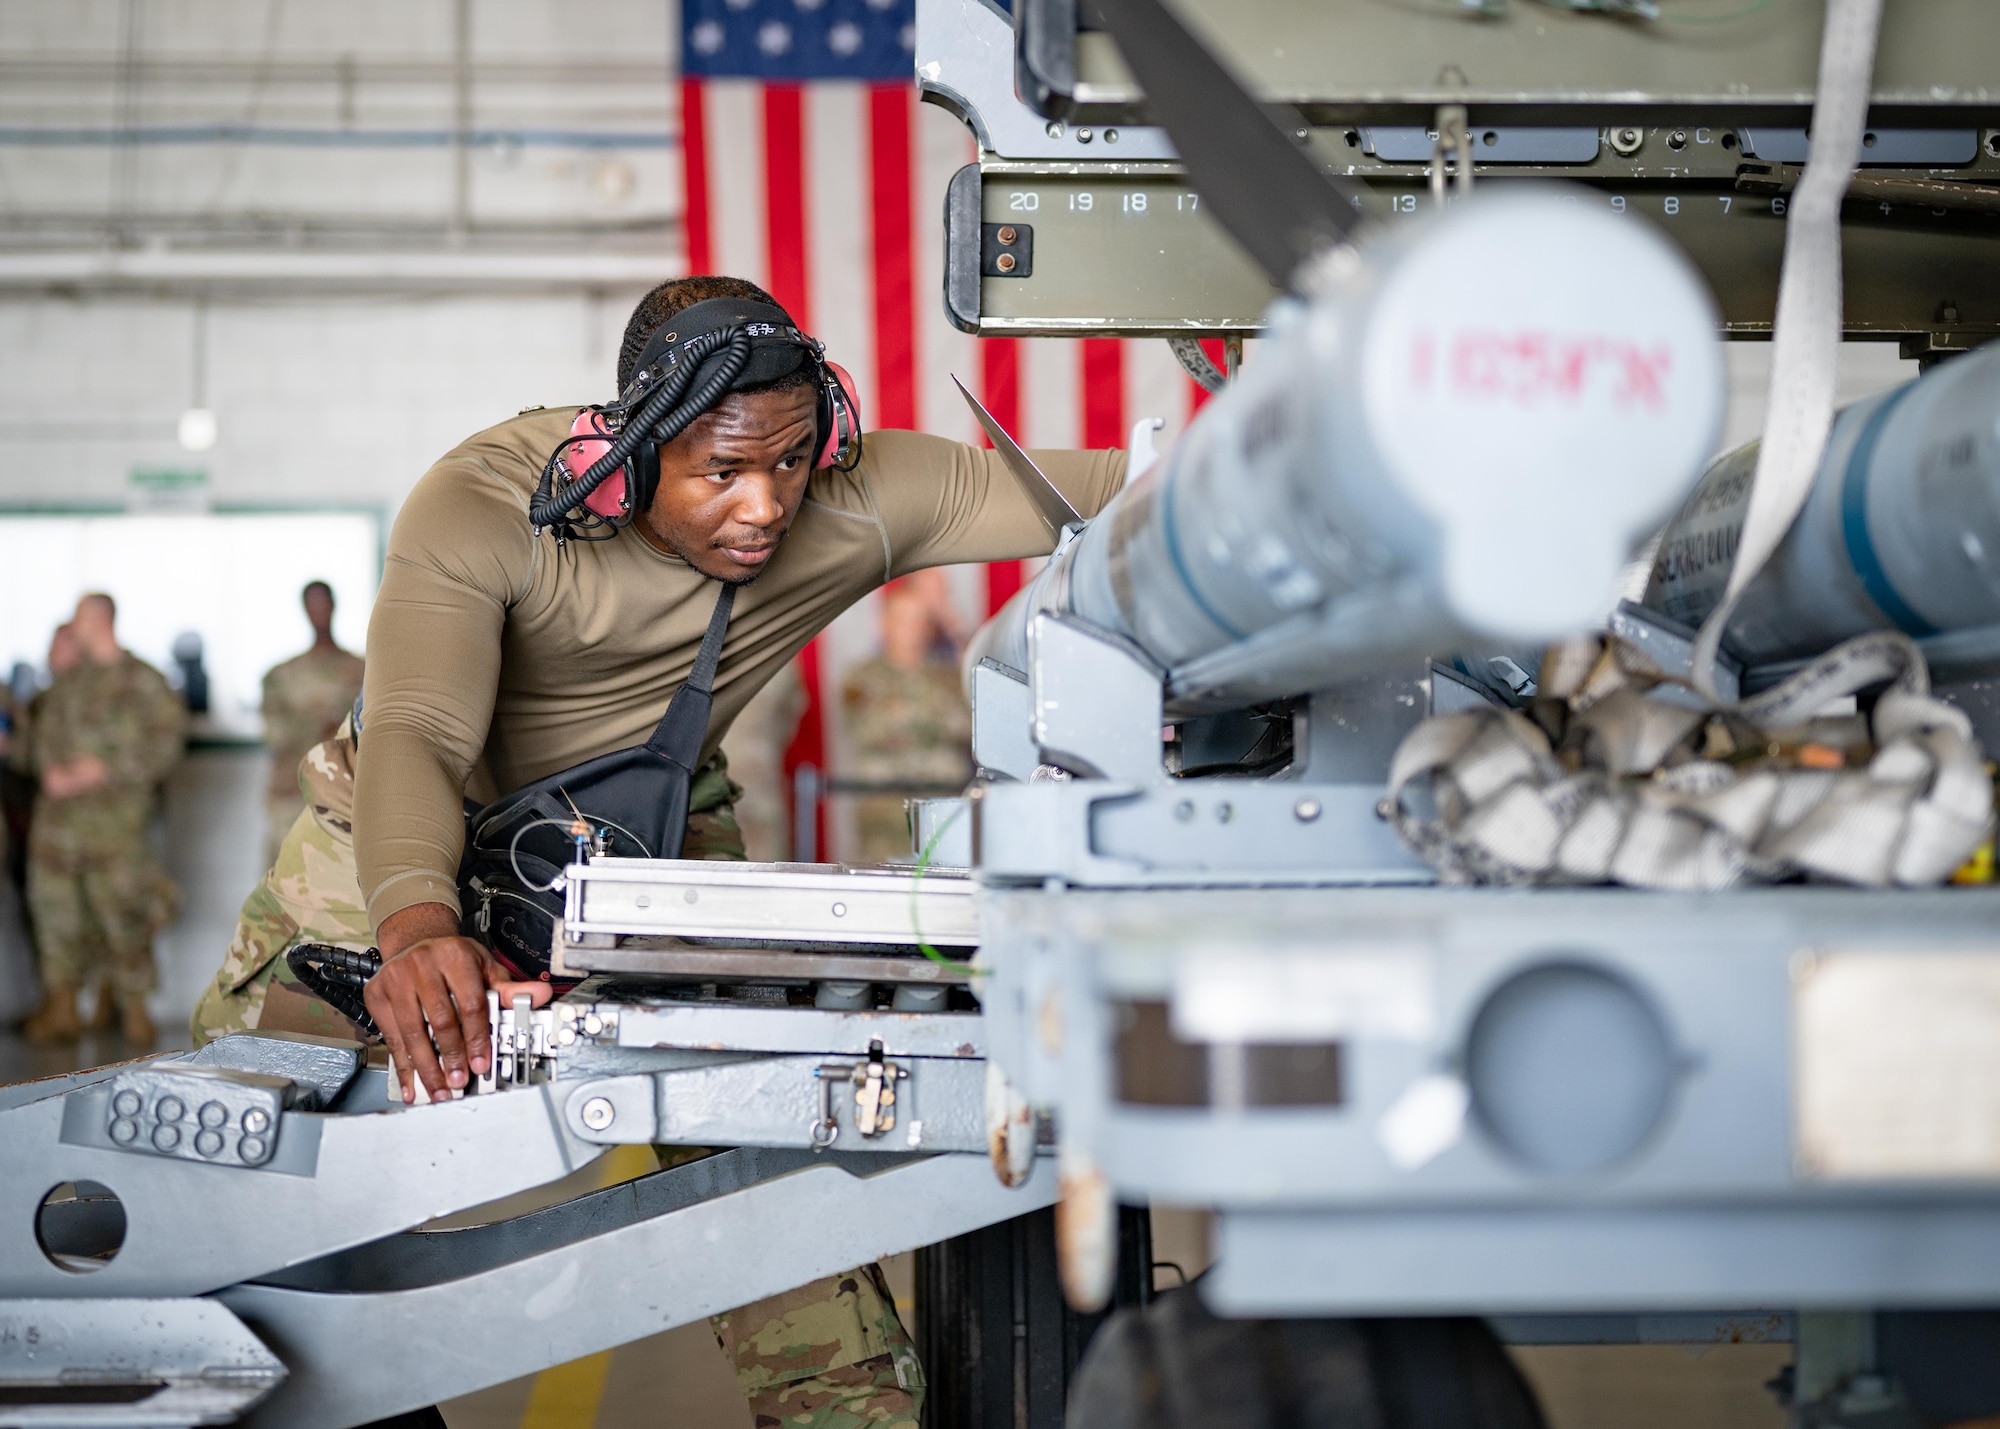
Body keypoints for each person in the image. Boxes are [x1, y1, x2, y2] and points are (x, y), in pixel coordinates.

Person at [187, 274, 1124, 1429]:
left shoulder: (855, 497)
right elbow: (420, 733)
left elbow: (1123, 493)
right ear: (628, 461)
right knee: (230, 1169)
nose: (766, 506)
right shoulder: (483, 503)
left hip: (650, 830)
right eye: (721, 471)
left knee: (757, 1131)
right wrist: (419, 924)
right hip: (393, 840)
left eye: (789, 460)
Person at [16, 596, 187, 1045]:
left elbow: (167, 746)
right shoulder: (70, 684)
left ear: (100, 620)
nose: (74, 627)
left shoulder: (145, 682)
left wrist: (106, 769)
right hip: (59, 828)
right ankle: (63, 1009)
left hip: (117, 829)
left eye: (80, 618)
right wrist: (52, 771)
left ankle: (135, 1011)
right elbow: (43, 736)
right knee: (58, 919)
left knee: (124, 918)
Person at [841, 580, 975, 864]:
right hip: (885, 815)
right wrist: (936, 722)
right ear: (884, 624)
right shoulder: (862, 678)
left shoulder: (951, 678)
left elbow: (972, 726)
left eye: (919, 621)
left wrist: (951, 624)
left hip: (944, 809)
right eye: (902, 619)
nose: (911, 629)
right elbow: (875, 730)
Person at [260, 582, 365, 868]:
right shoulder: (281, 677)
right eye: (312, 604)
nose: (319, 611)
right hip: (293, 794)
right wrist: (321, 729)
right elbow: (275, 736)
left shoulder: (362, 671)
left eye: (323, 603)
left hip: (349, 796)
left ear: (334, 606)